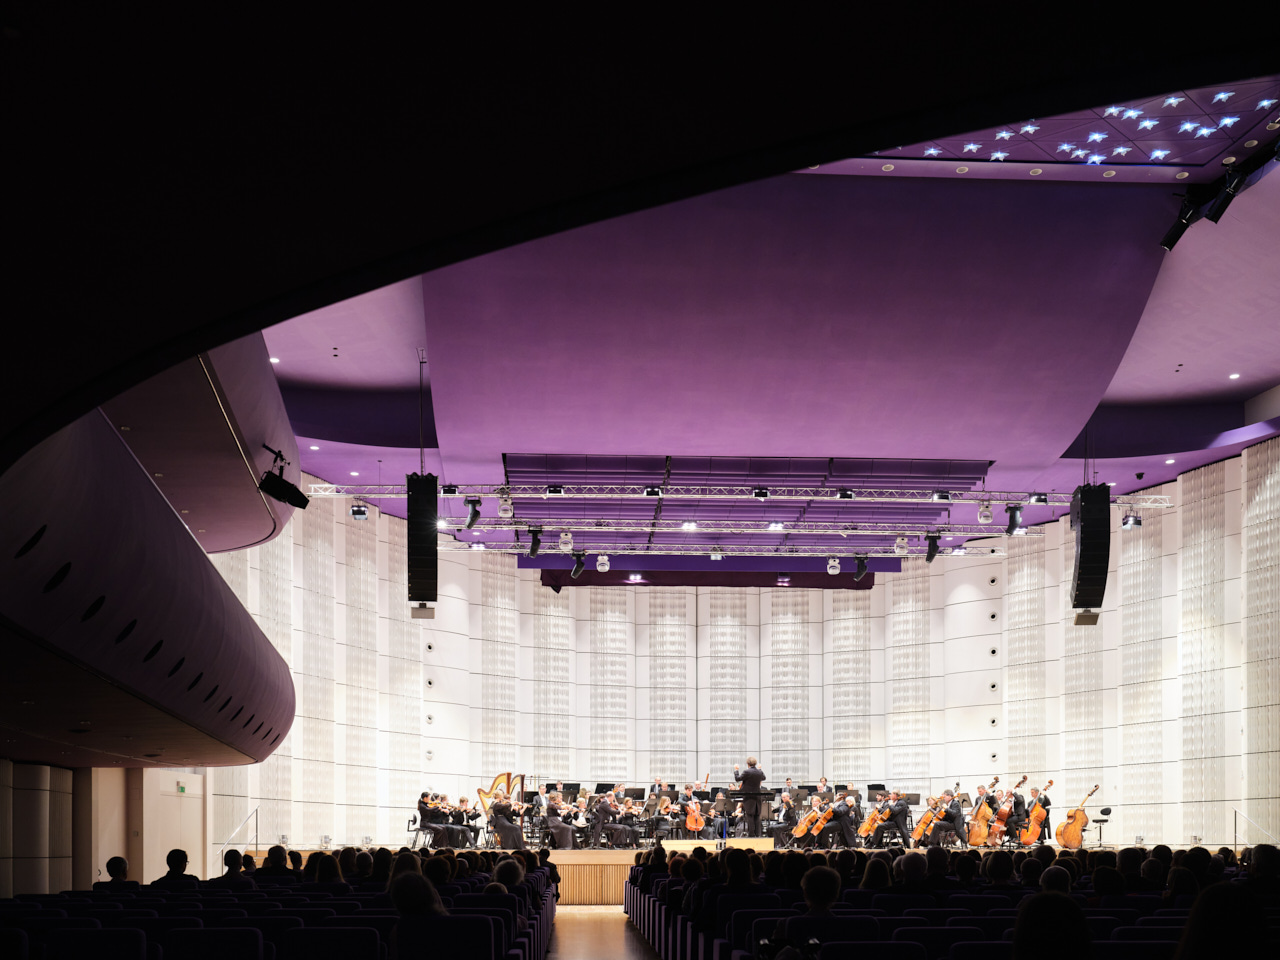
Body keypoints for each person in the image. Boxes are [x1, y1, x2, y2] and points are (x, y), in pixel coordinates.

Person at [734, 757, 767, 837]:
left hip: (748, 796)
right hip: (757, 796)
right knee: (757, 815)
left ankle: (751, 834)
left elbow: (737, 779)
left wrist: (736, 770)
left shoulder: (747, 771)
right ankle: (758, 834)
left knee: (750, 815)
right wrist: (760, 769)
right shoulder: (759, 772)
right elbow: (764, 778)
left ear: (748, 763)